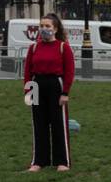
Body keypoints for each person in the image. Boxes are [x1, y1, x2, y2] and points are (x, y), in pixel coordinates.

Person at [23, 14, 75, 172]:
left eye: (48, 26)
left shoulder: (63, 47)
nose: (44, 29)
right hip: (37, 86)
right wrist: (28, 91)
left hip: (55, 86)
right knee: (39, 124)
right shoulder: (34, 47)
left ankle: (62, 161)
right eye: (42, 26)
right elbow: (27, 71)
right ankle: (39, 161)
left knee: (58, 124)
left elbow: (69, 71)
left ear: (55, 29)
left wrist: (65, 92)